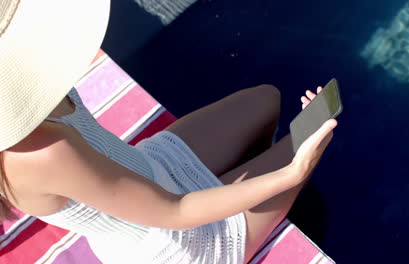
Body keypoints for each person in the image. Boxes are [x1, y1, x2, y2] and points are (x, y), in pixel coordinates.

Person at [0, 0, 337, 263]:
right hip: (175, 237)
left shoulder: (18, 93)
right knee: (309, 140)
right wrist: (292, 173)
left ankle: (252, 187)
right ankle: (265, 191)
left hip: (145, 171)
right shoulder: (40, 152)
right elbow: (176, 212)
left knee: (265, 100)